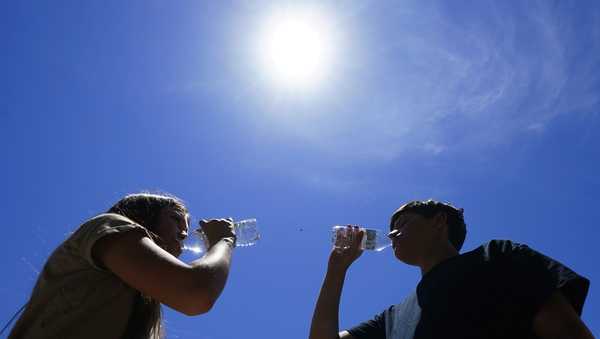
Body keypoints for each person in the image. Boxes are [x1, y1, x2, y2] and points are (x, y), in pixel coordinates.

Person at [309, 199, 594, 339]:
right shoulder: (393, 318)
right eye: (391, 230)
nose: (393, 234)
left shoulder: (497, 256)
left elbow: (565, 330)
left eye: (403, 224)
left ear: (438, 222)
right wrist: (337, 270)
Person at [9, 192, 237, 339]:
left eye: (186, 227)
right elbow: (195, 292)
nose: (184, 233)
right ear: (144, 216)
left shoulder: (145, 302)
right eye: (175, 219)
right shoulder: (109, 226)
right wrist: (223, 241)